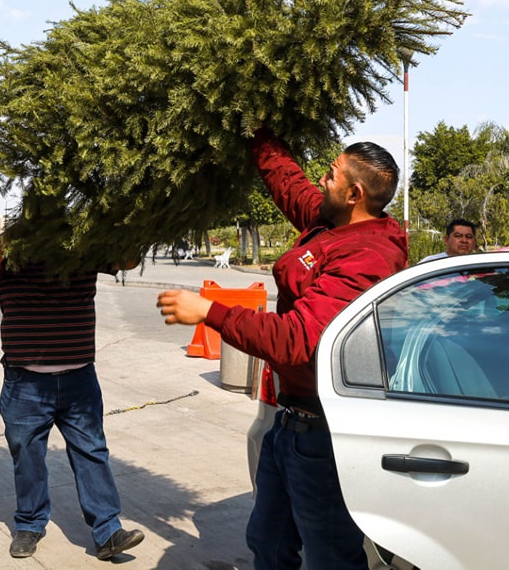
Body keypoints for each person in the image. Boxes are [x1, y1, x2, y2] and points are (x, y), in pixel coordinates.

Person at [156, 127, 408, 569]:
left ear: (354, 193)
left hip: (323, 435)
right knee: (268, 542)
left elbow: (294, 339)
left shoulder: (367, 255)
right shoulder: (332, 221)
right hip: (288, 423)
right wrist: (258, 128)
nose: (320, 181)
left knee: (331, 556)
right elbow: (289, 184)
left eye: (330, 175)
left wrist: (210, 312)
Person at [0, 236, 144, 561]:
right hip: (25, 381)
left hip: (80, 379)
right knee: (28, 455)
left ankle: (108, 531)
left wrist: (112, 224)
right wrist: (19, 233)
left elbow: (129, 258)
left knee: (92, 451)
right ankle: (29, 524)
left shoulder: (81, 245)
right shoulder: (10, 252)